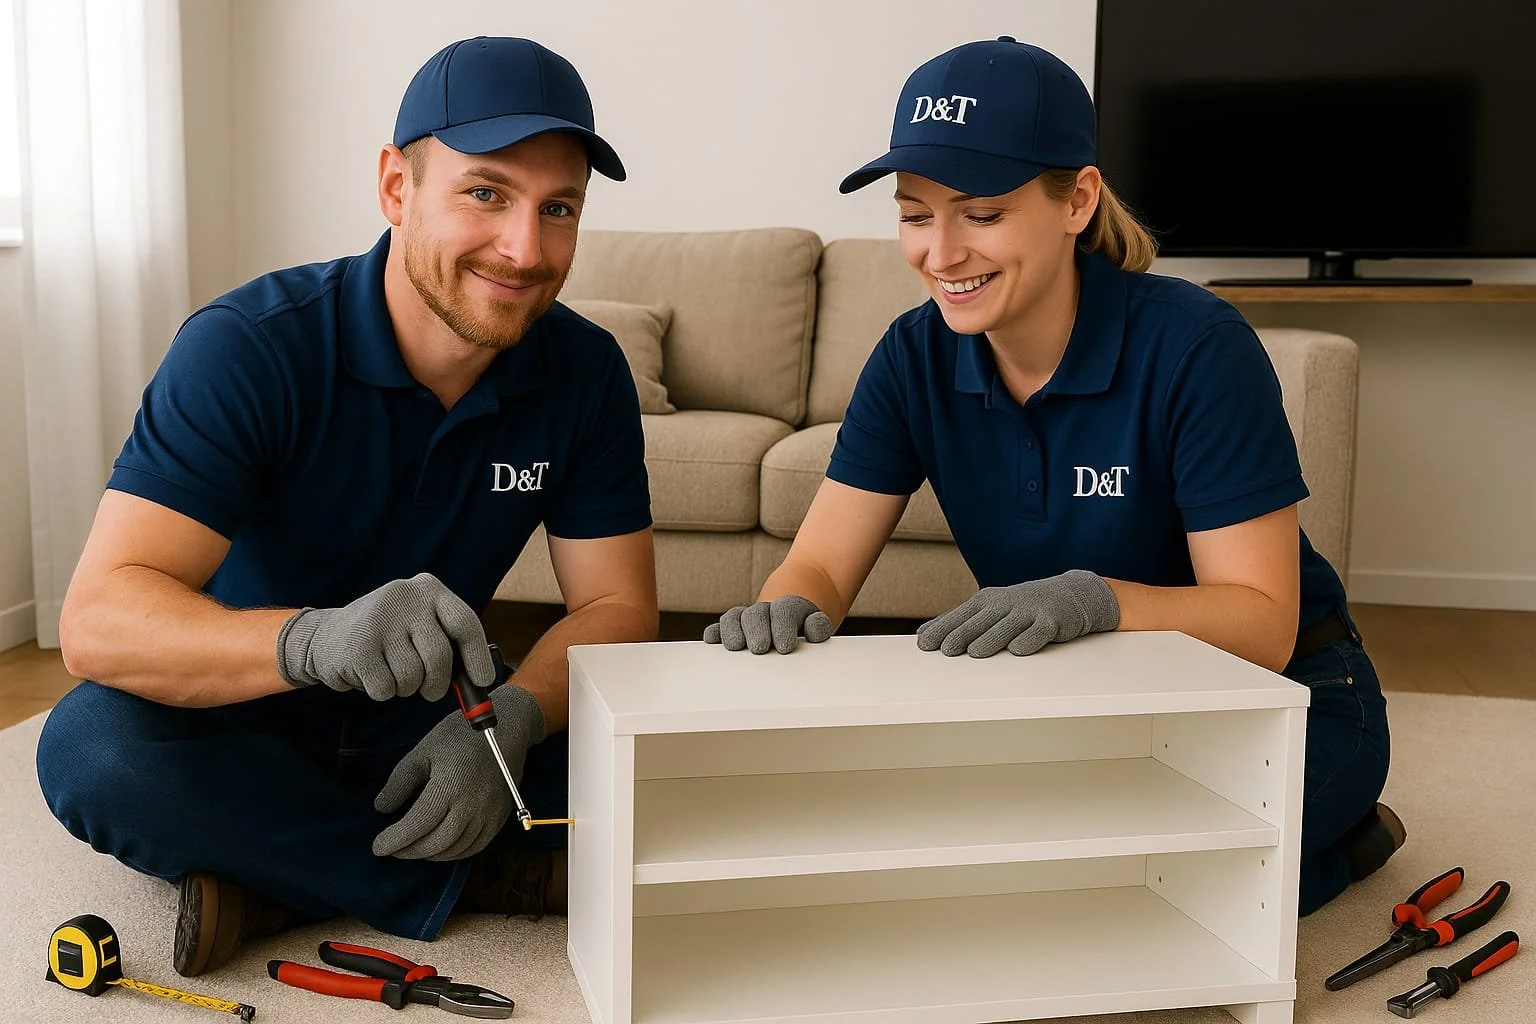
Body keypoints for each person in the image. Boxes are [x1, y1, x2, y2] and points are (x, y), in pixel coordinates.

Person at [704, 37, 1400, 916]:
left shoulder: (1196, 347)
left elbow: (1263, 625)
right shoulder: (910, 357)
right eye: (916, 215)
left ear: (1077, 200)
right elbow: (822, 569)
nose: (941, 253)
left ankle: (1349, 839)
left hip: (1283, 696)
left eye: (982, 214)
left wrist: (1099, 599)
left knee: (1134, 896)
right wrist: (789, 609)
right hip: (1080, 696)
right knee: (946, 868)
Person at [36, 36, 658, 977]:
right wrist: (312, 642)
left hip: (439, 720)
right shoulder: (248, 349)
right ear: (396, 189)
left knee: (668, 773)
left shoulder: (585, 371)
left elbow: (618, 607)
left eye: (557, 208)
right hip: (245, 711)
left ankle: (272, 883)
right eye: (485, 193)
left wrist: (516, 718)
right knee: (93, 749)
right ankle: (480, 882)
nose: (526, 249)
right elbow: (98, 618)